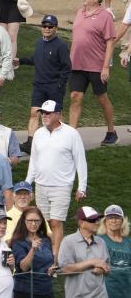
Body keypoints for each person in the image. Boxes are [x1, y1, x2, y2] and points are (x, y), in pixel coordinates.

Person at [25, 100, 88, 255]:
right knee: (43, 224)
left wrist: (82, 187)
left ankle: (56, 259)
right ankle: (45, 256)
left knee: (56, 222)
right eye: (43, 113)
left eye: (48, 113)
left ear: (58, 114)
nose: (44, 116)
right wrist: (27, 184)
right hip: (40, 185)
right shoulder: (39, 133)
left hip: (62, 185)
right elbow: (33, 161)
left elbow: (80, 160)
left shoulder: (71, 134)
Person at [70, 0, 118, 144]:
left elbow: (110, 42)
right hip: (77, 64)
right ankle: (72, 136)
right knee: (75, 96)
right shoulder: (79, 12)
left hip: (96, 66)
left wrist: (106, 67)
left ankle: (111, 131)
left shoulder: (105, 16)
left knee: (102, 98)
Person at [16, 14, 71, 154]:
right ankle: (30, 143)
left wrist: (60, 85)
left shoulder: (61, 46)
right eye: (44, 26)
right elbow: (36, 59)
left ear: (56, 28)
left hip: (54, 86)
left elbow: (67, 68)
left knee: (55, 115)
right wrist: (21, 61)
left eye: (50, 26)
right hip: (39, 85)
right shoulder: (39, 42)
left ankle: (61, 141)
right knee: (34, 112)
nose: (46, 28)